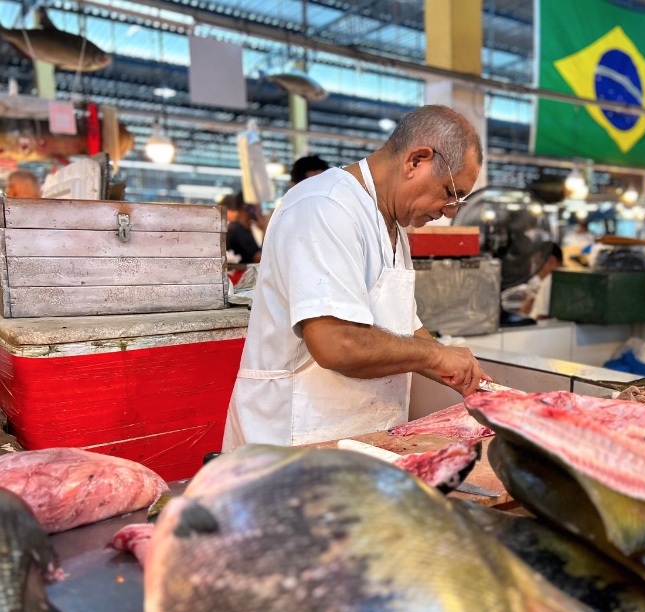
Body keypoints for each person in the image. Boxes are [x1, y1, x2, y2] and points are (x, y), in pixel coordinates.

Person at [223, 105, 486, 450]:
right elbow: (336, 343)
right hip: (292, 443)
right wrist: (437, 356)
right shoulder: (324, 206)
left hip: (356, 440)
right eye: (450, 193)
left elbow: (402, 326)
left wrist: (457, 370)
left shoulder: (392, 222)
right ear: (416, 160)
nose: (449, 211)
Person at [523, 243, 563, 319]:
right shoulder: (561, 280)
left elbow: (542, 318)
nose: (535, 269)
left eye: (537, 263)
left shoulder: (550, 281)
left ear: (551, 261)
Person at [222, 191, 262, 264]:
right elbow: (260, 258)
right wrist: (266, 230)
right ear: (247, 206)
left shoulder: (244, 229)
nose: (260, 209)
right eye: (257, 205)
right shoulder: (236, 230)